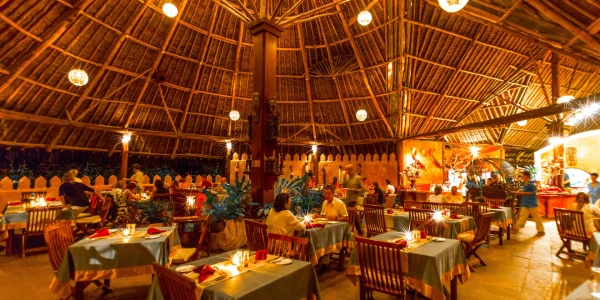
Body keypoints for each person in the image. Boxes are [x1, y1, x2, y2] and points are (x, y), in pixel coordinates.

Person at [513, 170, 545, 236]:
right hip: (525, 203)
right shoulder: (524, 184)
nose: (521, 176)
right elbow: (523, 190)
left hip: (532, 203)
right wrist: (520, 191)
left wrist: (520, 193)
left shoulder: (531, 184)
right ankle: (516, 228)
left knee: (536, 217)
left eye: (523, 175)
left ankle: (541, 231)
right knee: (522, 216)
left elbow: (532, 192)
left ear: (526, 176)